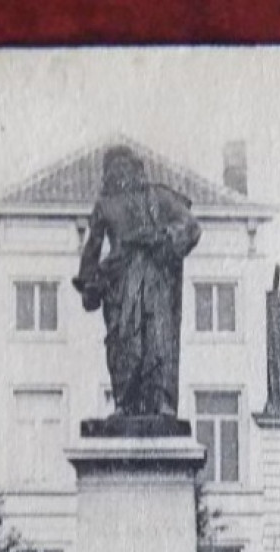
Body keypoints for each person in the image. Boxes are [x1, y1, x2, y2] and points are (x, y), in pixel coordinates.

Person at [73, 145, 203, 419]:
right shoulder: (104, 206)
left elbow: (191, 226)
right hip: (119, 285)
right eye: (113, 168)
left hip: (155, 279)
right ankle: (125, 401)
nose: (119, 174)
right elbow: (92, 248)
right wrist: (88, 284)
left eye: (125, 167)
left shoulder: (160, 197)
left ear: (136, 170)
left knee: (158, 338)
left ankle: (161, 401)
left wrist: (164, 237)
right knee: (122, 342)